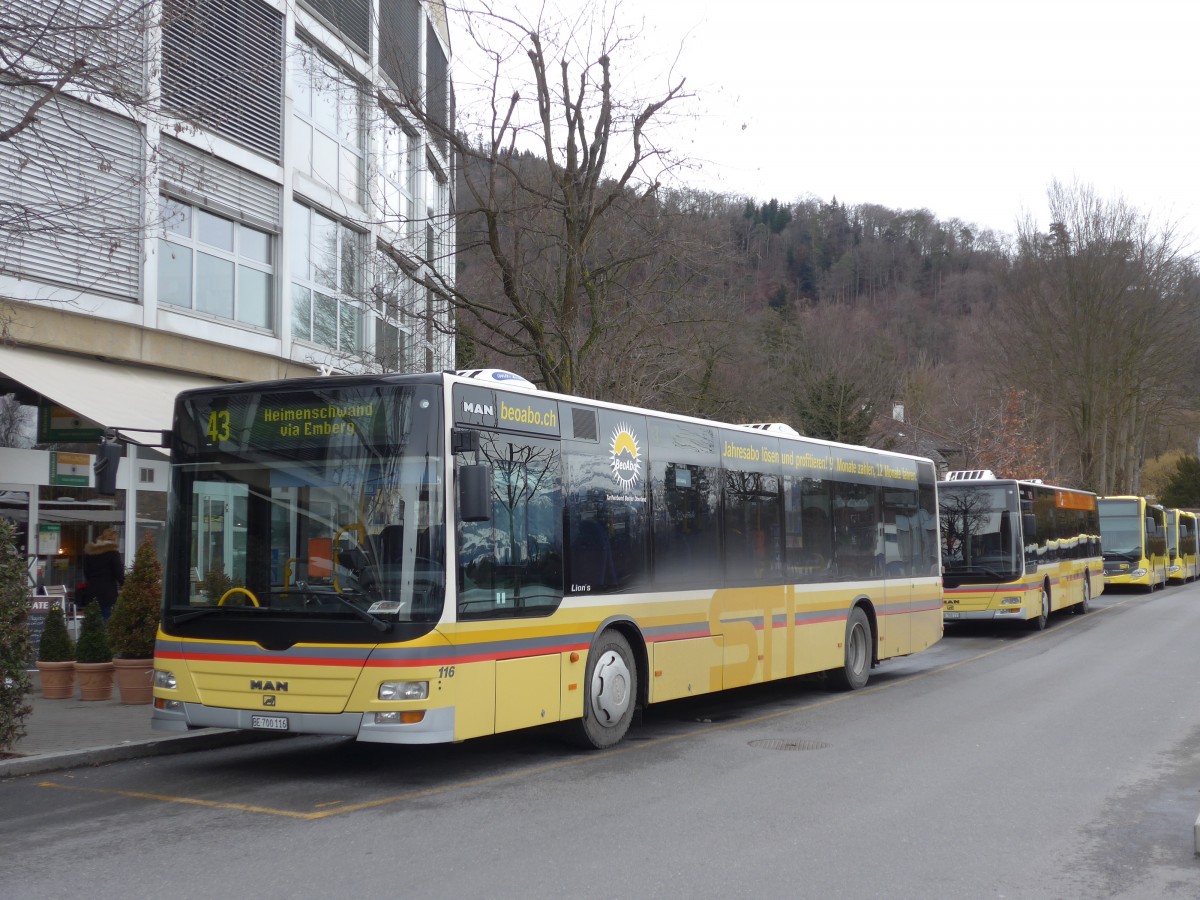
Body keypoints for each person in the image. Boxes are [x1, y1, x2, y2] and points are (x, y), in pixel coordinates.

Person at [82, 526, 125, 621]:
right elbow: (119, 574)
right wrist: (127, 586)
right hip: (107, 595)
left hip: (91, 593)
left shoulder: (90, 553)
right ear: (113, 540)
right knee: (107, 624)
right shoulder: (113, 554)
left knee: (92, 624)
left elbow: (86, 572)